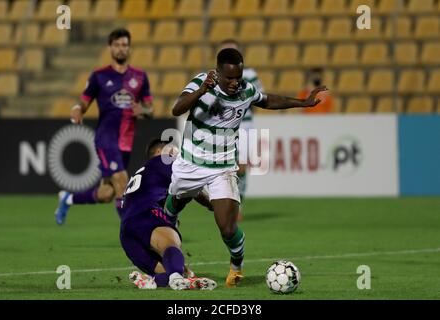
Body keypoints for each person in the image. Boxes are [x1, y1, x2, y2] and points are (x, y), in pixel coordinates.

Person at [164, 48, 327, 288]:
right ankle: (165, 243)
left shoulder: (245, 90)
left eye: (238, 77)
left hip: (223, 167)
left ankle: (236, 265)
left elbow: (268, 100)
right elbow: (177, 109)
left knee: (227, 226)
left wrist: (303, 102)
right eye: (229, 77)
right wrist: (202, 91)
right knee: (171, 209)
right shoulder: (201, 82)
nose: (234, 82)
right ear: (217, 72)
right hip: (190, 163)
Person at [54, 28, 153, 225]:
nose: (121, 49)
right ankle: (133, 232)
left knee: (107, 193)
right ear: (110, 48)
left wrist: (141, 109)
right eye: (117, 45)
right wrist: (77, 109)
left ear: (129, 49)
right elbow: (84, 102)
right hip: (106, 138)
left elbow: (151, 110)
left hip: (126, 142)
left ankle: (68, 198)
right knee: (122, 179)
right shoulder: (99, 76)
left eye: (124, 45)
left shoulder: (140, 77)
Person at [121, 139, 217, 290]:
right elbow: (191, 187)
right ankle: (177, 278)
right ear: (159, 153)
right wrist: (213, 204)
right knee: (171, 246)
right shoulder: (163, 161)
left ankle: (151, 281)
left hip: (126, 235)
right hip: (146, 216)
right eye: (172, 149)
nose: (176, 153)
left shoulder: (144, 172)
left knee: (171, 272)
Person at [217, 39, 265, 221]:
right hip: (223, 125)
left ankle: (238, 205)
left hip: (244, 123)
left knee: (242, 166)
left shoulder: (250, 74)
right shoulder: (215, 76)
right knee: (227, 167)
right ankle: (229, 204)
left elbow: (260, 97)